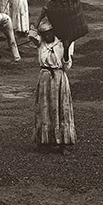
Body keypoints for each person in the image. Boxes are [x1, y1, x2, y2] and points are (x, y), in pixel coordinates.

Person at [35, 24, 75, 153]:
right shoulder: (40, 43)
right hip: (44, 78)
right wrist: (41, 17)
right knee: (44, 108)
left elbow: (67, 66)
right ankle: (45, 141)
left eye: (48, 33)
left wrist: (67, 48)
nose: (46, 36)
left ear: (53, 32)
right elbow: (31, 32)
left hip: (59, 77)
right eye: (44, 34)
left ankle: (63, 143)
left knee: (61, 109)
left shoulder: (62, 44)